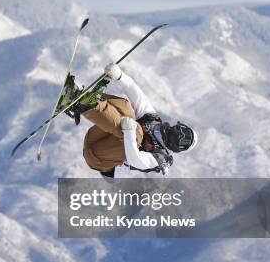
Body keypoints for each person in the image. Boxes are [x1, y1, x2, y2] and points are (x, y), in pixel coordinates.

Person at [58, 63, 197, 178]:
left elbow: (134, 158)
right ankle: (78, 98)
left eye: (179, 134)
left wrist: (130, 133)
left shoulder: (158, 158)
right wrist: (120, 76)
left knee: (136, 132)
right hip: (98, 139)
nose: (173, 129)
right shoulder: (153, 121)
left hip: (100, 161)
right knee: (126, 107)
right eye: (179, 128)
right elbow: (136, 93)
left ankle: (88, 104)